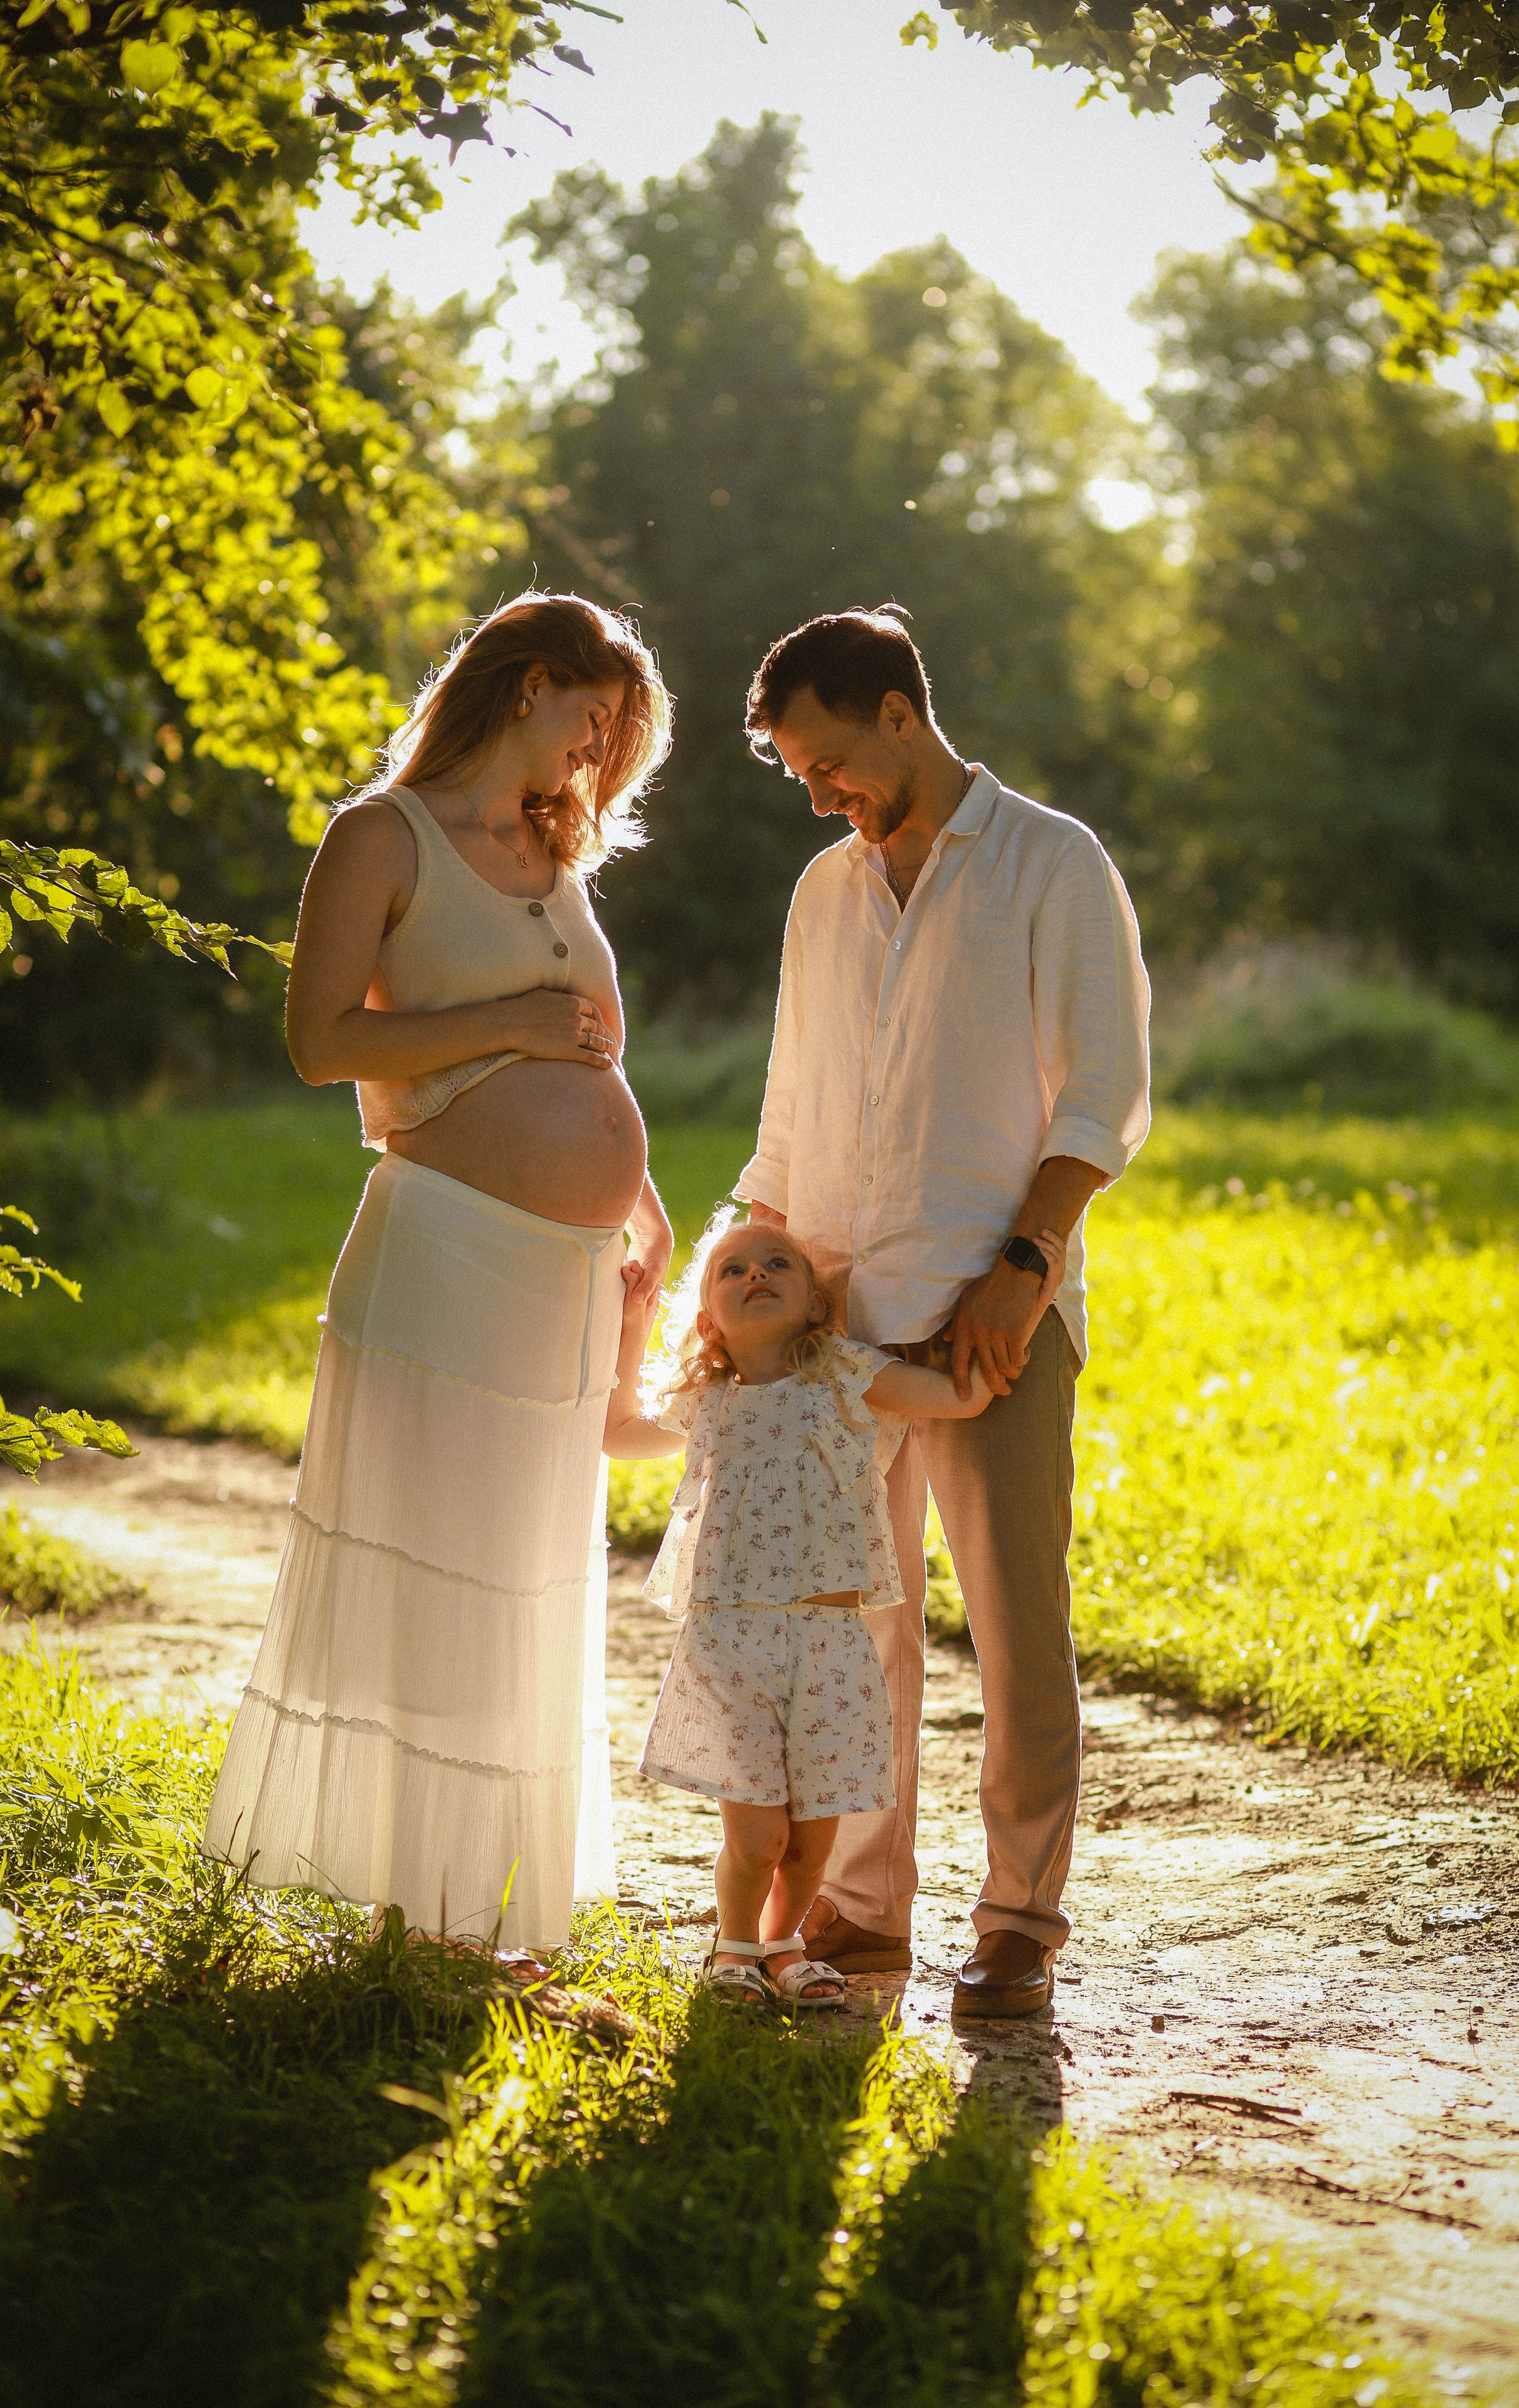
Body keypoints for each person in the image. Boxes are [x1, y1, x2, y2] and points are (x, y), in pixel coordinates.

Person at [203, 588, 674, 1959]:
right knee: (449, 1580)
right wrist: (508, 1022)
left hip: (570, 1269)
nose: (594, 758)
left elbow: (582, 1048)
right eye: (589, 721)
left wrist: (635, 1197)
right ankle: (427, 1935)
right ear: (525, 685)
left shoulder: (552, 853)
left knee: (530, 1581)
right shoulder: (382, 837)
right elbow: (319, 1042)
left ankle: (492, 1930)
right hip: (450, 1255)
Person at [736, 606, 1151, 2021]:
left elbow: (1103, 1093)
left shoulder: (1052, 863)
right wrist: (748, 1269)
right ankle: (861, 1914)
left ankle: (1019, 1920)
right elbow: (791, 1110)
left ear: (898, 715)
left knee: (1017, 1632)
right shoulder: (818, 893)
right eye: (799, 774)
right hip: (836, 1337)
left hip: (993, 1323)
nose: (816, 791)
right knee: (858, 1637)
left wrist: (1025, 1262)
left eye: (825, 760)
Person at [605, 1213, 1030, 2007]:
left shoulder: (845, 1375)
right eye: (732, 1270)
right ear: (708, 1322)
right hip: (732, 1640)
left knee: (812, 1840)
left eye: (778, 1264)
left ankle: (783, 1945)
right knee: (758, 1834)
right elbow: (616, 1432)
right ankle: (732, 1952)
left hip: (832, 1642)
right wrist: (632, 1325)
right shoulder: (707, 1401)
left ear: (814, 1305)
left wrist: (1014, 1311)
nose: (755, 1273)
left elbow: (960, 1397)